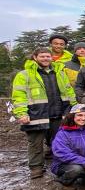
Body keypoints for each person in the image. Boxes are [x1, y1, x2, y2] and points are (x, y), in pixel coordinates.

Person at [11, 47, 76, 179]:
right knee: (35, 143)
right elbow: (19, 96)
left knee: (59, 142)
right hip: (36, 114)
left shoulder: (60, 73)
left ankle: (60, 166)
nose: (45, 59)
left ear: (51, 57)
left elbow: (69, 92)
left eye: (48, 56)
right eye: (42, 56)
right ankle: (36, 168)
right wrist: (21, 113)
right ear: (35, 57)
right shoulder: (24, 75)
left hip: (57, 114)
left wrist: (74, 108)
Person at [50, 104, 85, 190]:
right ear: (72, 116)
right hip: (65, 164)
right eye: (79, 115)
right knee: (77, 169)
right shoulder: (63, 133)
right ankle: (64, 181)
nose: (83, 118)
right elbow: (62, 153)